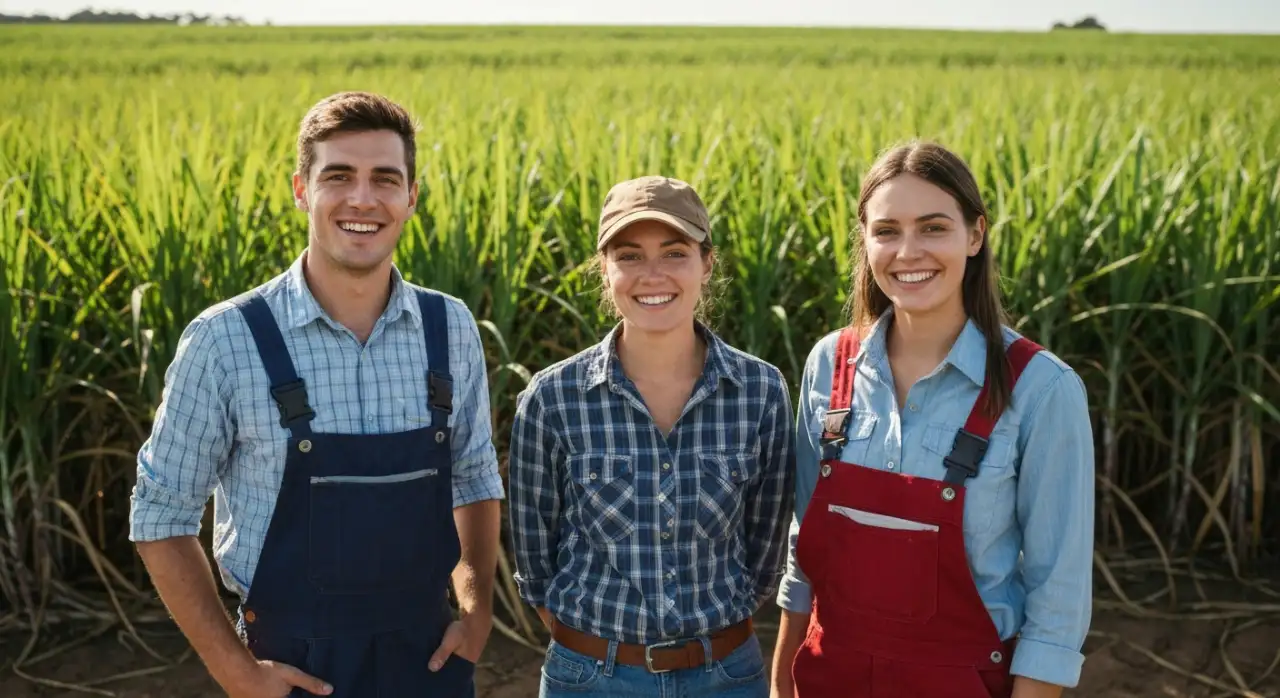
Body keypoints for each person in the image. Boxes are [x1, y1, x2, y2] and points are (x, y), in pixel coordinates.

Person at [128, 91, 504, 698]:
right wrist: (236, 673)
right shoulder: (226, 340)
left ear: (412, 196)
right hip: (291, 669)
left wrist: (478, 609)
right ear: (301, 189)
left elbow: (475, 476)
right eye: (338, 176)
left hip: (428, 661)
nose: (363, 199)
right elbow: (158, 515)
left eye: (385, 178)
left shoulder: (450, 327)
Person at [770, 142, 1095, 698]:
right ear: (866, 242)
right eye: (887, 230)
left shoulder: (1042, 389)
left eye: (933, 228)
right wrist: (780, 685)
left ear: (975, 235)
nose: (908, 251)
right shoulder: (830, 365)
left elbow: (1056, 602)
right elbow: (806, 553)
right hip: (832, 678)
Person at [507, 175, 796, 697]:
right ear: (605, 269)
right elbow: (536, 561)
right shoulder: (553, 398)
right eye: (630, 256)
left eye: (674, 252)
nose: (653, 274)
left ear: (707, 263)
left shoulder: (761, 391)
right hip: (590, 679)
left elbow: (765, 551)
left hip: (726, 677)